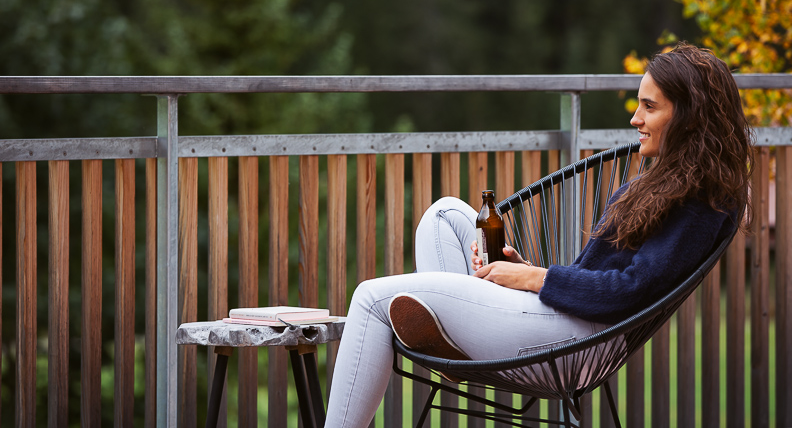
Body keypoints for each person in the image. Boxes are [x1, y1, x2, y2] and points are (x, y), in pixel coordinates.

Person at [323, 43, 753, 428]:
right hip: (569, 323)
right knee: (445, 214)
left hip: (579, 346)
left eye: (650, 107)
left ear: (689, 114)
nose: (635, 118)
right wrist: (524, 271)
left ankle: (456, 335)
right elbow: (598, 274)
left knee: (371, 299)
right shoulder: (670, 182)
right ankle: (455, 340)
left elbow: (632, 290)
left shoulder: (701, 198)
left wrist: (533, 281)